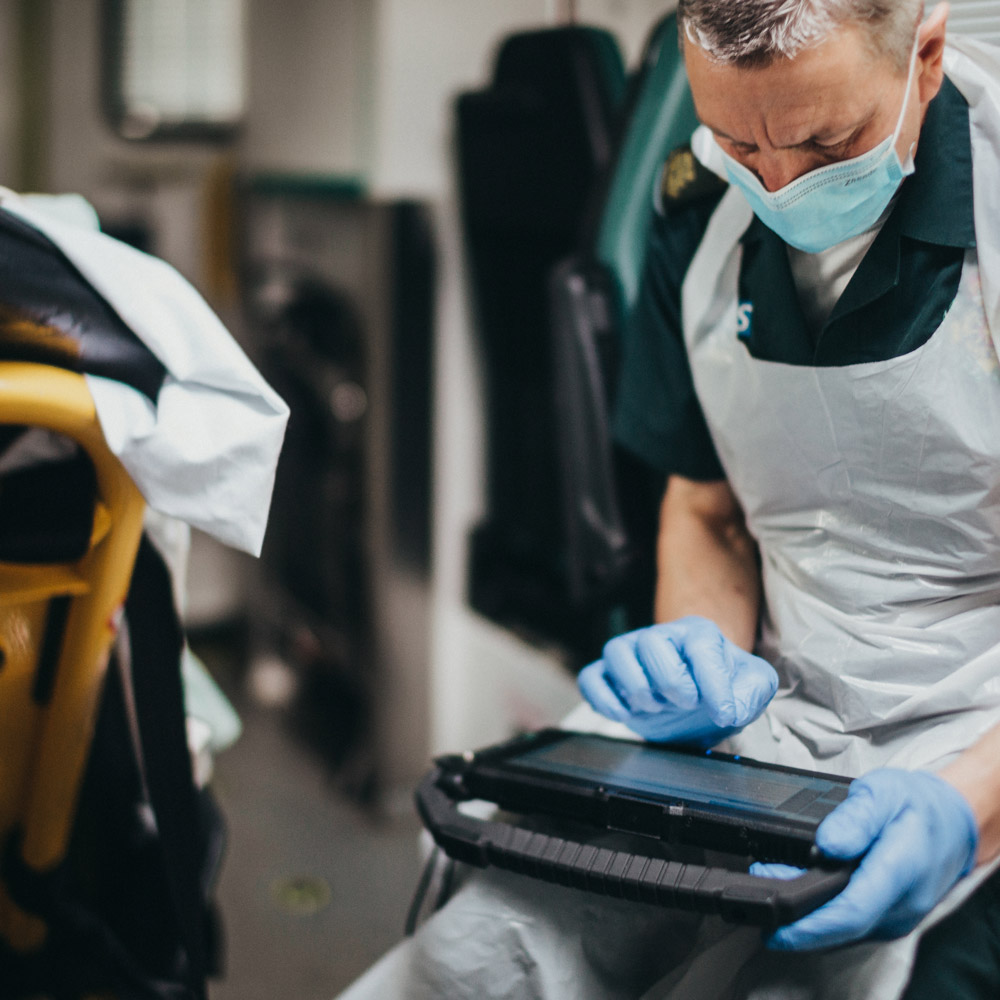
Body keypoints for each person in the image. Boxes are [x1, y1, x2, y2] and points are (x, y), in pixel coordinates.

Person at [335, 2, 1000, 997]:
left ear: (928, 56)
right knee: (484, 947)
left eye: (826, 141)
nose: (777, 184)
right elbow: (707, 509)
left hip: (979, 731)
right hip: (776, 726)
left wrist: (967, 810)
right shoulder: (696, 212)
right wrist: (703, 660)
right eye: (738, 140)